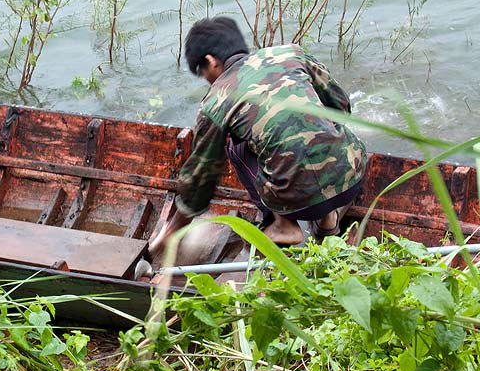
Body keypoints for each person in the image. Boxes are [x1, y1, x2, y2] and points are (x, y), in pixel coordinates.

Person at [148, 16, 368, 258]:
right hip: (352, 175)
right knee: (316, 130)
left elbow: (201, 180)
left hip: (295, 195)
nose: (208, 81)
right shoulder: (290, 53)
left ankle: (285, 227)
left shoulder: (216, 100)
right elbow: (341, 105)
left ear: (211, 61)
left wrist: (170, 233)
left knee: (235, 147)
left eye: (204, 73)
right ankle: (328, 222)